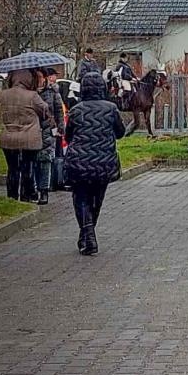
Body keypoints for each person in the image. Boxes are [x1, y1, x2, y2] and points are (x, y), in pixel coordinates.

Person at [63, 71, 125, 256]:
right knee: (96, 200)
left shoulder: (76, 110)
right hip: (103, 163)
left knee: (81, 198)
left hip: (79, 163)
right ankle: (88, 235)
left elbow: (68, 135)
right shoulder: (111, 109)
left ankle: (87, 235)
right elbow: (120, 133)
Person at [0, 70, 53, 202]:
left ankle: (12, 196)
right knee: (27, 167)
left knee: (12, 168)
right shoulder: (32, 95)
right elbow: (44, 111)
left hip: (8, 136)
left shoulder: (4, 94)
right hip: (29, 136)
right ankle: (26, 195)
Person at [35, 68, 65, 204]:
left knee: (45, 159)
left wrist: (60, 128)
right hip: (33, 130)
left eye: (41, 77)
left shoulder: (52, 92)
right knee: (33, 161)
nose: (39, 80)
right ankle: (33, 188)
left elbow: (59, 110)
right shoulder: (31, 92)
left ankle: (44, 190)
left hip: (48, 130)